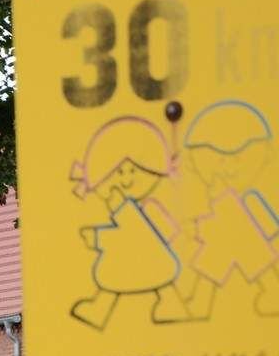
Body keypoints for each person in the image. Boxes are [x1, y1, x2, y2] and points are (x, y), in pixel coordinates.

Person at [69, 116, 188, 330]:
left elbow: (141, 233)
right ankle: (100, 309)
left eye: (132, 170)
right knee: (114, 282)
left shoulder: (145, 208)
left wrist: (98, 237)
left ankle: (172, 304)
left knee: (156, 282)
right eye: (119, 172)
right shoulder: (124, 209)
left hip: (151, 260)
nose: (125, 180)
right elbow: (125, 234)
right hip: (129, 262)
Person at [178, 100, 279, 320]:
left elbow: (263, 222)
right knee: (214, 259)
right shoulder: (222, 196)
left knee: (218, 259)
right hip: (234, 241)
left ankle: (202, 302)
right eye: (220, 159)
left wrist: (198, 227)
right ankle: (201, 301)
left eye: (237, 157)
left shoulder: (239, 199)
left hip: (243, 240)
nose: (229, 168)